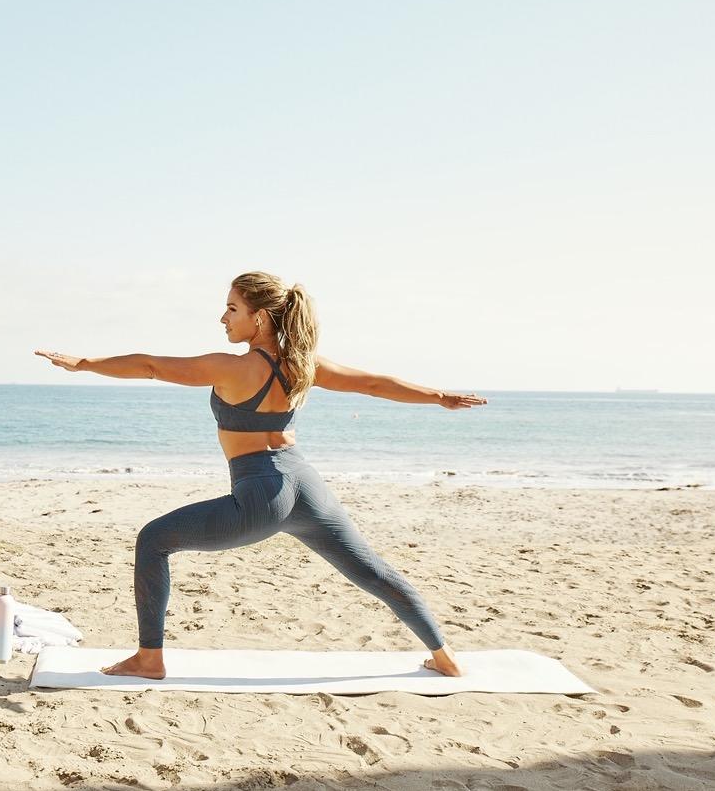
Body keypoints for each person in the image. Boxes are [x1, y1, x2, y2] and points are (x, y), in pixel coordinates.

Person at [34, 271, 486, 679]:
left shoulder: (231, 368)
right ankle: (444, 656)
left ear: (262, 318)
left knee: (154, 540)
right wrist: (439, 396)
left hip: (260, 492)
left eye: (232, 309)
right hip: (306, 486)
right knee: (372, 571)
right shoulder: (304, 365)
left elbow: (152, 366)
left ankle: (149, 659)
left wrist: (86, 364)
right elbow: (371, 383)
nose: (223, 318)